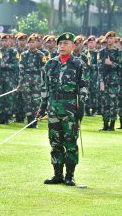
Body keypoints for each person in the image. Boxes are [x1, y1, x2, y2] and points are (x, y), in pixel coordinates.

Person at [38, 32, 89, 186]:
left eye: (66, 43)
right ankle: (57, 174)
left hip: (70, 110)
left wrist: (82, 106)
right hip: (53, 109)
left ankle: (70, 175)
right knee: (55, 143)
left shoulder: (78, 64)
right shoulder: (50, 64)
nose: (62, 46)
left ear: (73, 46)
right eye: (60, 43)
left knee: (70, 143)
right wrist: (42, 107)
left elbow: (84, 86)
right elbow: (44, 87)